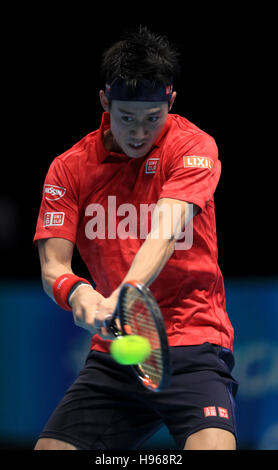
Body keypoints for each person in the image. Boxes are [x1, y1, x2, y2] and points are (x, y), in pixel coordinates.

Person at [33, 26, 238, 450]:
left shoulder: (192, 148)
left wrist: (126, 294)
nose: (139, 133)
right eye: (127, 118)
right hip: (115, 351)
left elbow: (165, 232)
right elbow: (54, 265)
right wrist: (79, 295)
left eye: (152, 119)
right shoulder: (69, 169)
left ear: (171, 102)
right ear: (105, 102)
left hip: (193, 342)